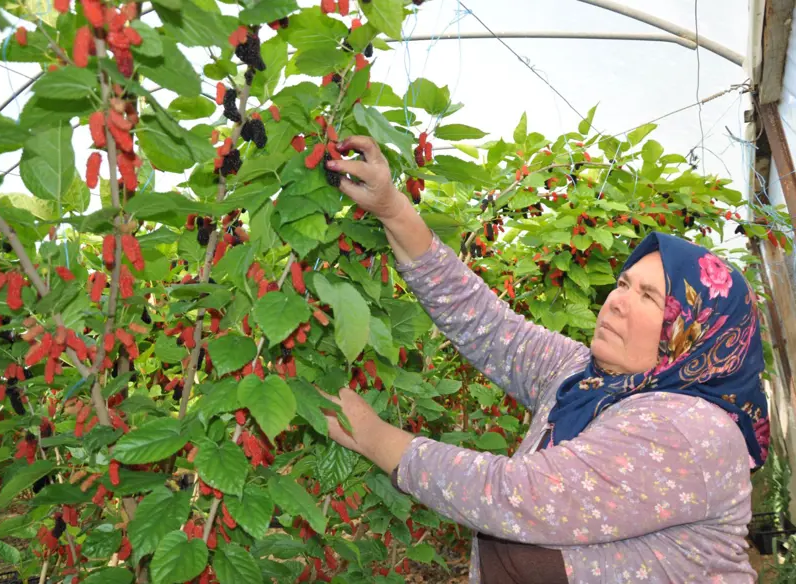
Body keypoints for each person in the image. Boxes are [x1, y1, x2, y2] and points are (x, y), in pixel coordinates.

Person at [320, 136, 771, 583]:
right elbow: (488, 326)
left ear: (692, 333)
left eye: (650, 296)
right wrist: (393, 209)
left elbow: (521, 497)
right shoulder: (586, 376)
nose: (617, 301)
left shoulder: (690, 430)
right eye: (624, 283)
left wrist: (375, 437)